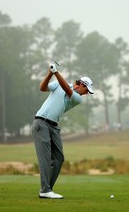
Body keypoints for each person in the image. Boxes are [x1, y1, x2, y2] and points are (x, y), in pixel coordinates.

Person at [31, 62, 94, 199]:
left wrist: (56, 72)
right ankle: (45, 190)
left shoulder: (77, 98)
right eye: (87, 90)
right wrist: (50, 73)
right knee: (45, 159)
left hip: (53, 126)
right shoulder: (59, 84)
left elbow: (66, 87)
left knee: (59, 158)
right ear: (82, 85)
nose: (86, 94)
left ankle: (47, 190)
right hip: (41, 122)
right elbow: (42, 88)